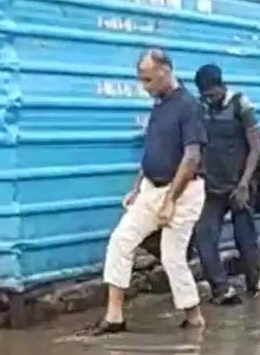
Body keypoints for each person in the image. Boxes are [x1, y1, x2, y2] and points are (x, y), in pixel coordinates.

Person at [86, 48, 207, 335]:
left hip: (183, 191)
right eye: (142, 80)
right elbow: (153, 152)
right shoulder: (160, 104)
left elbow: (191, 157)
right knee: (120, 241)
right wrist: (136, 188)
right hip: (151, 189)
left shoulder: (189, 106)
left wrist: (170, 201)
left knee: (172, 257)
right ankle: (114, 316)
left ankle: (194, 317)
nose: (145, 87)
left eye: (149, 80)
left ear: (165, 71)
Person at [193, 63, 260, 305]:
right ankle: (222, 289)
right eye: (205, 96)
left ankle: (254, 286)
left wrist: (244, 183)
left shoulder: (240, 105)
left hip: (239, 185)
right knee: (204, 235)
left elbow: (255, 147)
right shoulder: (200, 109)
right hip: (213, 188)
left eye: (213, 95)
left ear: (222, 87)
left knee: (245, 239)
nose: (210, 100)